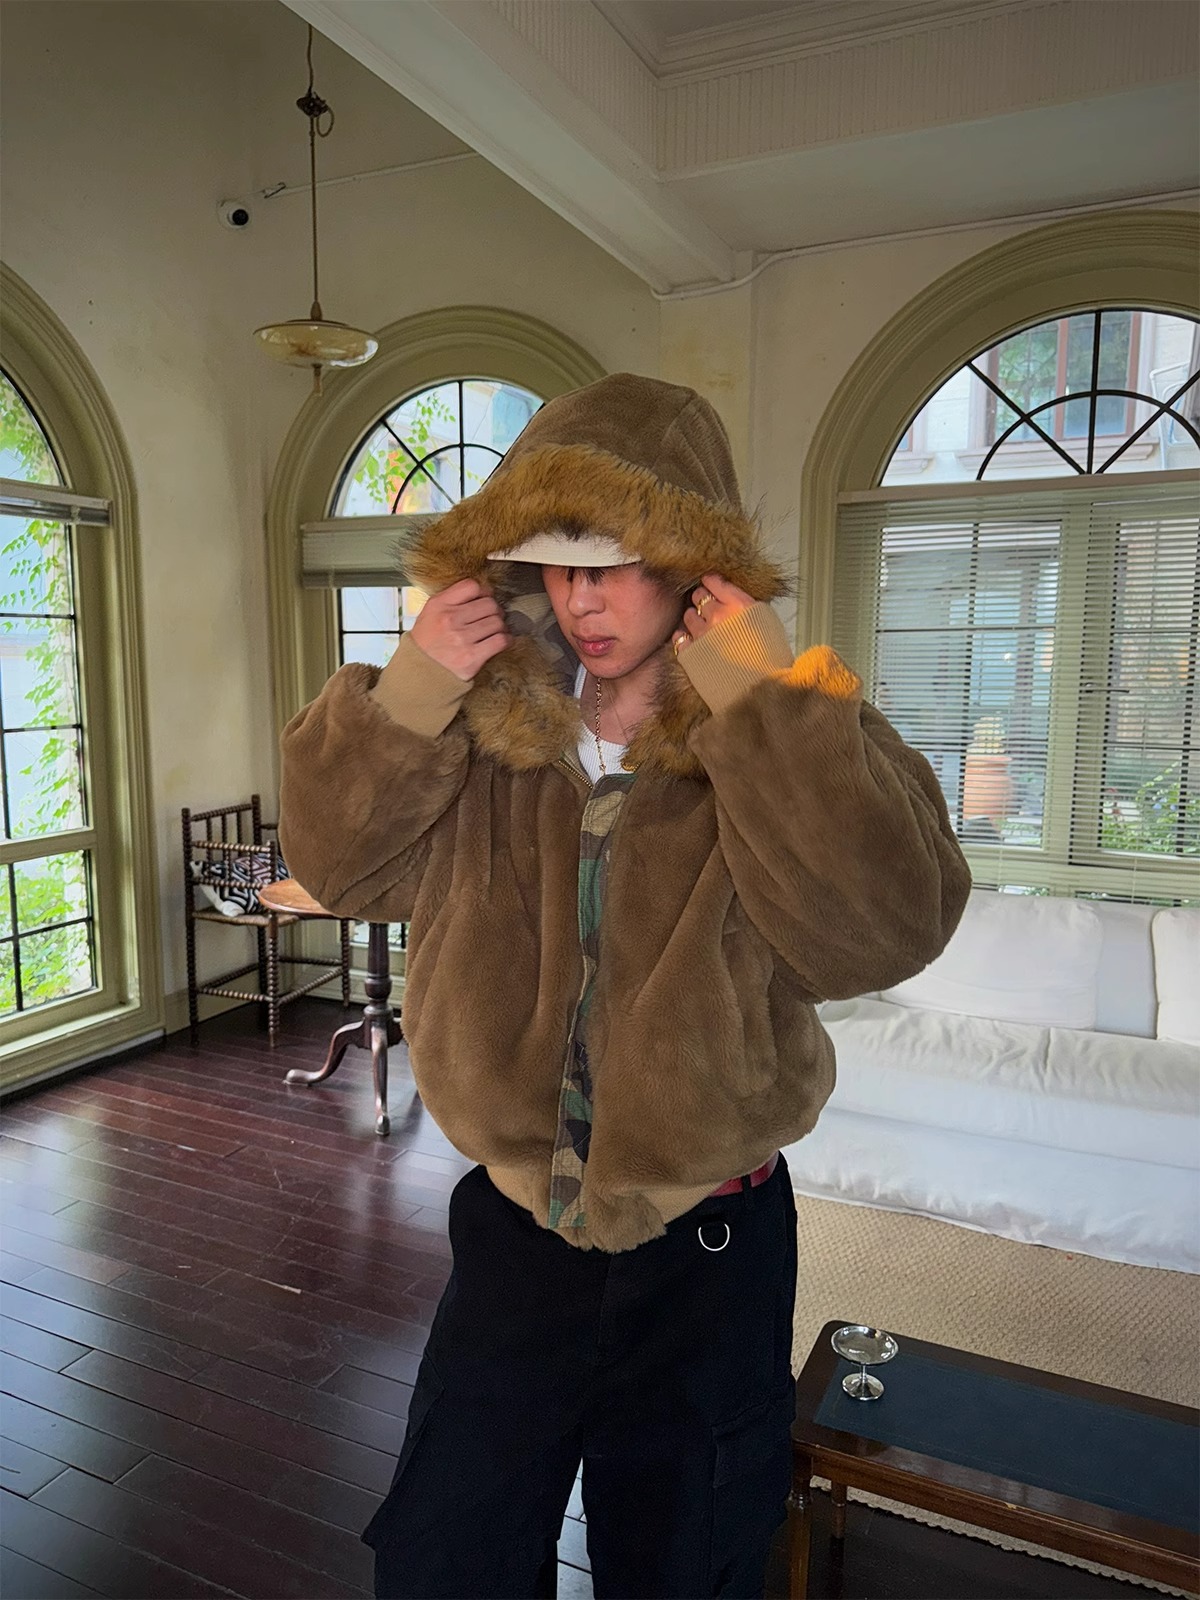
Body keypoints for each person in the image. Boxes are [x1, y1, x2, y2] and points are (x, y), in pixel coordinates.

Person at [278, 373, 970, 1600]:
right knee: (445, 1559)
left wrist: (768, 705)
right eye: (553, 564)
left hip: (710, 1252)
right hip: (513, 1239)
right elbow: (340, 867)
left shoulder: (790, 724)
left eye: (615, 564)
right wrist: (415, 688)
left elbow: (884, 931)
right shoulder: (487, 736)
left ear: (695, 562)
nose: (581, 599)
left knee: (687, 1566)